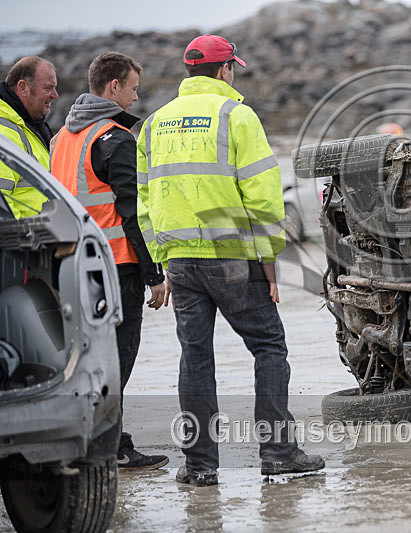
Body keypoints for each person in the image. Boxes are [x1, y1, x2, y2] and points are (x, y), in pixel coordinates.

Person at [136, 34, 325, 487]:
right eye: (232, 67)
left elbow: (144, 202)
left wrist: (162, 259)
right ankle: (278, 452)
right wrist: (269, 262)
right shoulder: (237, 117)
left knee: (195, 358)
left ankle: (200, 466)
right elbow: (263, 199)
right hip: (234, 258)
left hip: (180, 260)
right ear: (225, 70)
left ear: (189, 71)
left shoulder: (154, 123)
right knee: (268, 347)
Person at [49, 52, 169, 469]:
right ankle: (108, 445)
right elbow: (133, 213)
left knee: (86, 358)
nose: (136, 98)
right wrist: (155, 274)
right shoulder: (115, 139)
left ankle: (106, 438)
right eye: (133, 88)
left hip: (71, 266)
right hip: (117, 266)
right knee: (118, 359)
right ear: (113, 86)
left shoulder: (61, 138)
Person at [0, 56, 56, 218]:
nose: (55, 95)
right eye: (48, 88)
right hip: (27, 240)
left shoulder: (31, 126)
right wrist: (28, 240)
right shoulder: (5, 133)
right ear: (23, 88)